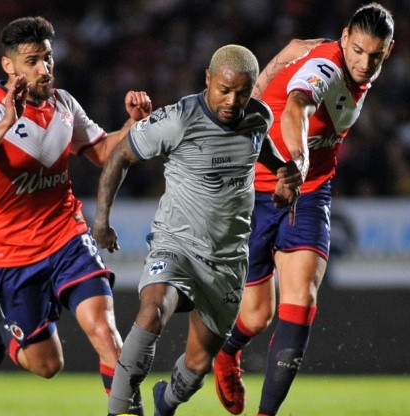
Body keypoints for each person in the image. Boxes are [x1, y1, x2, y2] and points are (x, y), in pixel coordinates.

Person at [0, 16, 152, 415]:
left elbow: (104, 152)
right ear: (9, 66)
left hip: (67, 238)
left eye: (48, 58)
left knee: (106, 335)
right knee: (47, 365)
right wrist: (8, 121)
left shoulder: (64, 104)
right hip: (15, 257)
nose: (44, 68)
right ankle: (3, 324)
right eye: (33, 60)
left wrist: (133, 124)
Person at [92, 44, 302, 416]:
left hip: (227, 260)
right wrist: (101, 220)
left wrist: (285, 172)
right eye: (224, 90)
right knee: (153, 310)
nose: (232, 101)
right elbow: (121, 155)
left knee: (198, 364)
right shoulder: (179, 119)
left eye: (242, 92)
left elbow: (260, 148)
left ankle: (165, 404)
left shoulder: (258, 116)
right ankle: (119, 409)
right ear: (208, 79)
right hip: (177, 244)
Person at [213, 4, 395, 415]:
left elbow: (263, 101)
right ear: (345, 37)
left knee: (302, 299)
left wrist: (279, 59)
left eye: (376, 57)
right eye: (359, 51)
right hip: (260, 189)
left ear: (389, 51)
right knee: (258, 316)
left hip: (310, 192)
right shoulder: (328, 67)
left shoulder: (350, 68)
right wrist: (295, 164)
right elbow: (297, 106)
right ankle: (226, 352)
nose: (364, 64)